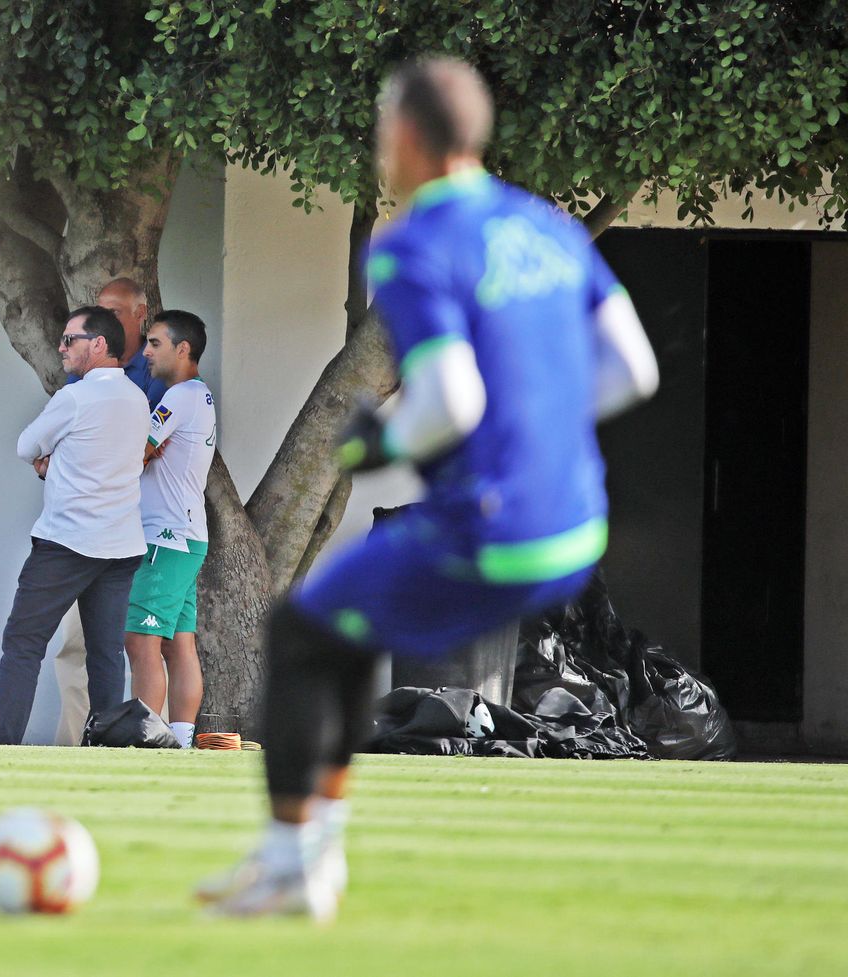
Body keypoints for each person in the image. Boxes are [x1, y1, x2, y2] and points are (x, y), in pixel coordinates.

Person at [199, 58, 659, 919]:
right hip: (574, 526)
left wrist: (385, 440)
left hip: (492, 525)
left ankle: (295, 863)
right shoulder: (547, 228)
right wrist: (537, 426)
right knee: (337, 630)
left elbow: (449, 399)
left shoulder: (413, 243)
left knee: (300, 631)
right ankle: (310, 855)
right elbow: (634, 367)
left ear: (406, 137)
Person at [0, 306, 150, 745]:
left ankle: (2, 744)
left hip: (68, 542)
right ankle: (105, 747)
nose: (61, 347)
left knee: (23, 642)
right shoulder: (138, 398)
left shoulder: (75, 397)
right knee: (106, 654)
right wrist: (61, 461)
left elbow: (26, 447)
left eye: (69, 340)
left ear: (98, 344)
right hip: (121, 544)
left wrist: (51, 460)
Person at [52, 277, 169, 745]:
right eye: (99, 310)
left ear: (141, 314)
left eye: (116, 311)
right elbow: (61, 438)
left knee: (133, 643)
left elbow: (148, 449)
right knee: (72, 644)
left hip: (138, 527)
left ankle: (129, 739)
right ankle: (74, 743)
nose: (105, 320)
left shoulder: (156, 370)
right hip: (79, 528)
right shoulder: (80, 374)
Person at [124, 310, 216, 748]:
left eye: (155, 343)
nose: (145, 352)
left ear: (183, 349)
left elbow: (136, 452)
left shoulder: (180, 396)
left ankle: (145, 738)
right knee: (178, 644)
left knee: (141, 639)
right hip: (185, 537)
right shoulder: (198, 395)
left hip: (166, 538)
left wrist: (137, 449)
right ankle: (179, 741)